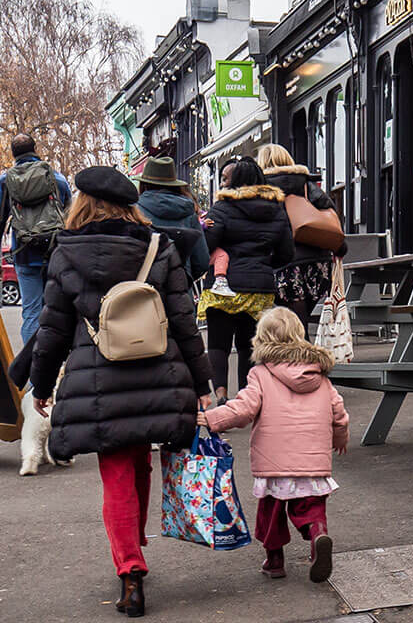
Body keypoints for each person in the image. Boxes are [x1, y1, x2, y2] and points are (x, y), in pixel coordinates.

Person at [30, 166, 213, 618]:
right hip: (157, 372)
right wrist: (202, 382)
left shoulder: (65, 251)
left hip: (98, 380)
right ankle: (135, 540)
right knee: (140, 462)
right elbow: (184, 319)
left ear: (82, 204)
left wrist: (41, 382)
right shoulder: (158, 246)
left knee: (116, 474)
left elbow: (52, 326)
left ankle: (130, 569)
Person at [199, 306, 347, 583]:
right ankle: (317, 534)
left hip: (274, 463)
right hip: (313, 461)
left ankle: (275, 559)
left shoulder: (260, 374)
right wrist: (339, 438)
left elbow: (243, 410)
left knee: (272, 512)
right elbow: (338, 411)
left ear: (262, 339)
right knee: (311, 506)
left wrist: (210, 419)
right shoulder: (319, 375)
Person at [201, 158, 294, 402]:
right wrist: (263, 266)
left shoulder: (221, 208)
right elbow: (287, 253)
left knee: (218, 345)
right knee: (247, 346)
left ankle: (221, 392)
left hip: (224, 285)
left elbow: (207, 244)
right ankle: (245, 397)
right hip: (259, 287)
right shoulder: (277, 208)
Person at [256, 144, 341, 330]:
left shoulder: (260, 190)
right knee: (299, 322)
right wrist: (339, 247)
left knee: (295, 324)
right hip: (318, 261)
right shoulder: (306, 185)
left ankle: (303, 355)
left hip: (284, 264)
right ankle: (303, 352)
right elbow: (330, 215)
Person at [1, 133, 72, 345]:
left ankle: (33, 369)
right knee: (55, 311)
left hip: (24, 253)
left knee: (31, 312)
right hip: (54, 253)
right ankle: (54, 365)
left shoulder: (6, 181)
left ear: (13, 154)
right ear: (35, 149)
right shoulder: (56, 178)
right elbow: (68, 214)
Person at [133, 157, 210, 283]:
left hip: (143, 292)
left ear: (144, 184)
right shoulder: (189, 213)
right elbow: (202, 262)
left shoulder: (135, 211)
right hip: (180, 292)